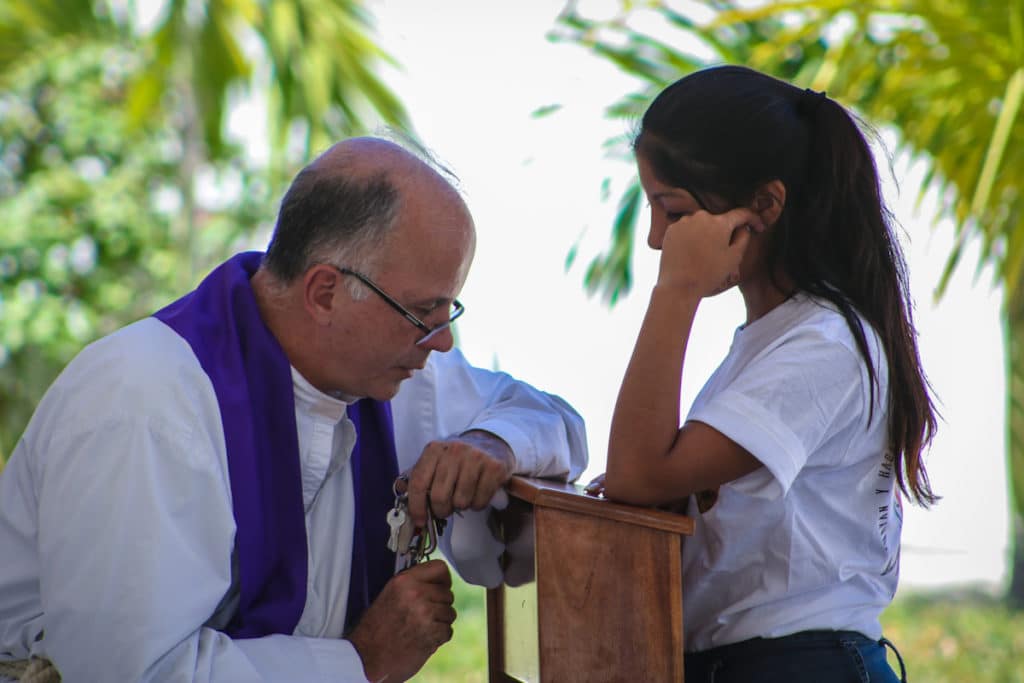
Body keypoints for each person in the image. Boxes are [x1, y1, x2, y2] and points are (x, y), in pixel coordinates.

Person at [0, 137, 588, 682]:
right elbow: (129, 674)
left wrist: (492, 443)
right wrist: (361, 662)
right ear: (324, 292)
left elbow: (551, 418)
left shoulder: (397, 381)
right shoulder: (144, 404)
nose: (442, 344)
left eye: (448, 313)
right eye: (422, 314)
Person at [586, 65, 935, 682]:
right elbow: (652, 479)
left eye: (673, 212)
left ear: (766, 205)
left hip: (798, 664)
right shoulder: (771, 342)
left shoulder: (824, 344)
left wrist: (678, 290)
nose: (655, 239)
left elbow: (638, 476)